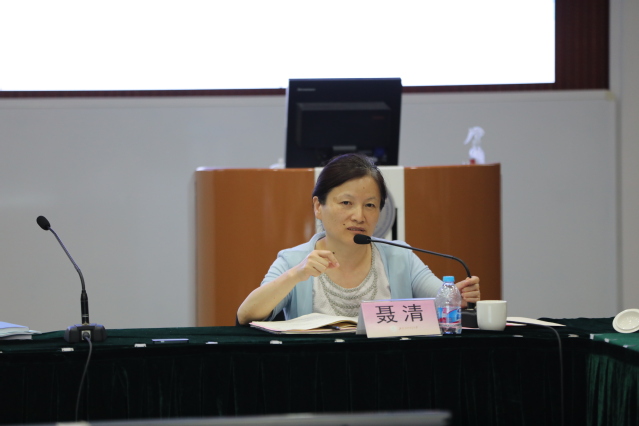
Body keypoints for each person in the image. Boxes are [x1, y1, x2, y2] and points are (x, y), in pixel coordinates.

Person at [236, 153, 480, 324]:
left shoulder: (399, 256)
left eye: (370, 205)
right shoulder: (294, 261)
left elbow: (441, 298)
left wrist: (457, 296)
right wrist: (296, 275)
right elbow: (245, 315)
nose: (359, 216)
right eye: (346, 203)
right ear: (318, 206)